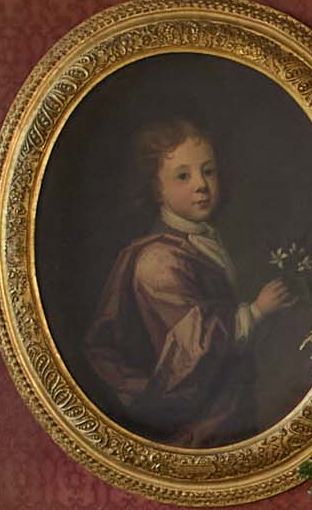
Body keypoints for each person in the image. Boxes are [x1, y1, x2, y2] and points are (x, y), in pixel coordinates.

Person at [83, 117, 295, 446]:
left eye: (208, 171)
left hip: (228, 402)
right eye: (183, 176)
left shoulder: (203, 238)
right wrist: (255, 312)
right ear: (157, 189)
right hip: (198, 416)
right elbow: (194, 342)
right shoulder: (159, 260)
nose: (201, 185)